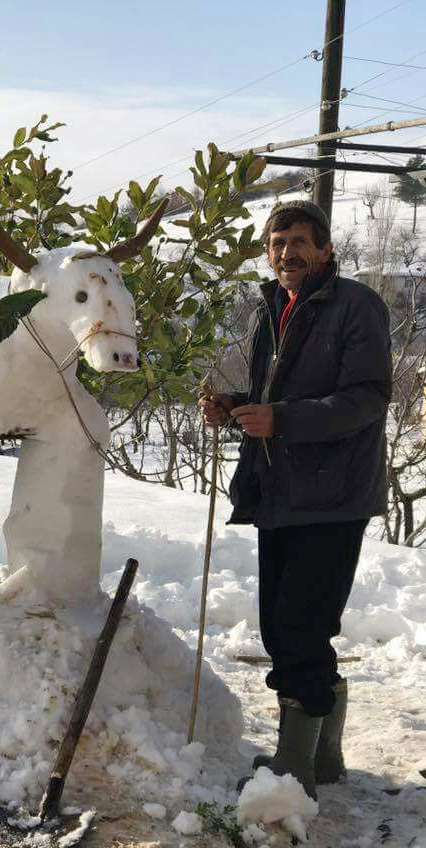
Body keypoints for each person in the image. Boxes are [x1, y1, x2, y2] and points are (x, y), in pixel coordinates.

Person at [200, 200, 392, 799]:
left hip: (334, 495)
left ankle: (294, 771)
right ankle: (322, 757)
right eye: (278, 243)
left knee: (299, 626)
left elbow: (366, 398)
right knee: (283, 627)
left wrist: (279, 420)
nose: (287, 254)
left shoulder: (357, 306)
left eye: (300, 242)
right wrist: (235, 406)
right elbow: (271, 392)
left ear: (326, 249)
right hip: (280, 489)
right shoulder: (273, 308)